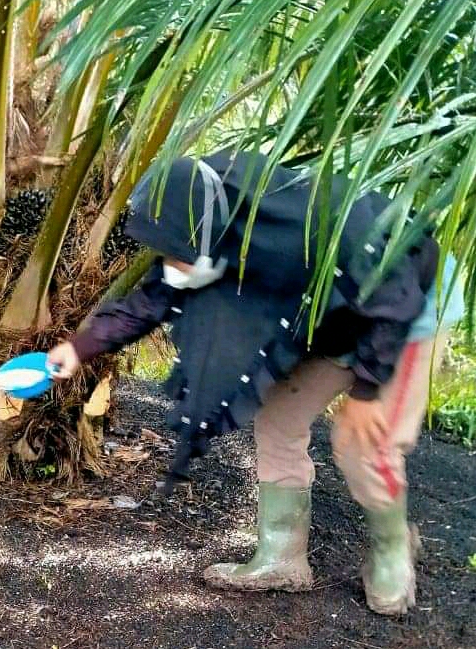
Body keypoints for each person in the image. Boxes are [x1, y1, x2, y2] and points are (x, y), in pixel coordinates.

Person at [48, 151, 466, 617]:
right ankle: (282, 556)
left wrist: (368, 391)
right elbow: (158, 295)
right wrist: (79, 348)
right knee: (279, 418)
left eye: (180, 257)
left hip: (405, 302)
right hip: (328, 313)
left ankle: (393, 551)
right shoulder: (196, 214)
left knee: (365, 441)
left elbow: (394, 294)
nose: (175, 265)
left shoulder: (310, 219)